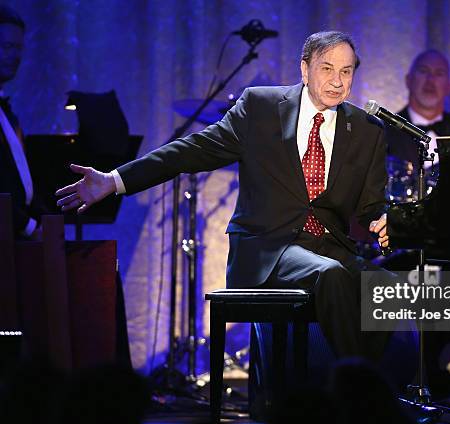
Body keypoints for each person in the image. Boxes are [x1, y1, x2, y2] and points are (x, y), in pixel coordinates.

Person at [56, 31, 390, 361]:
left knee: (388, 285)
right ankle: (358, 395)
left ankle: (371, 384)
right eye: (327, 68)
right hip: (268, 250)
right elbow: (190, 150)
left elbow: (371, 206)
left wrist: (387, 222)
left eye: (346, 72)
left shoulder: (366, 129)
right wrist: (115, 180)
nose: (337, 81)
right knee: (330, 275)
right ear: (305, 70)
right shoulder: (261, 107)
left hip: (328, 247)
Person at [387, 49, 450, 168]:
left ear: (448, 87)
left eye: (439, 73)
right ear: (408, 80)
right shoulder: (382, 133)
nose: (430, 79)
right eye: (423, 71)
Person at [0, 5, 45, 238]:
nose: (16, 57)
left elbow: (22, 185)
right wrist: (29, 227)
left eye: (19, 48)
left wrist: (44, 222)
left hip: (14, 235)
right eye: (7, 47)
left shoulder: (8, 113)